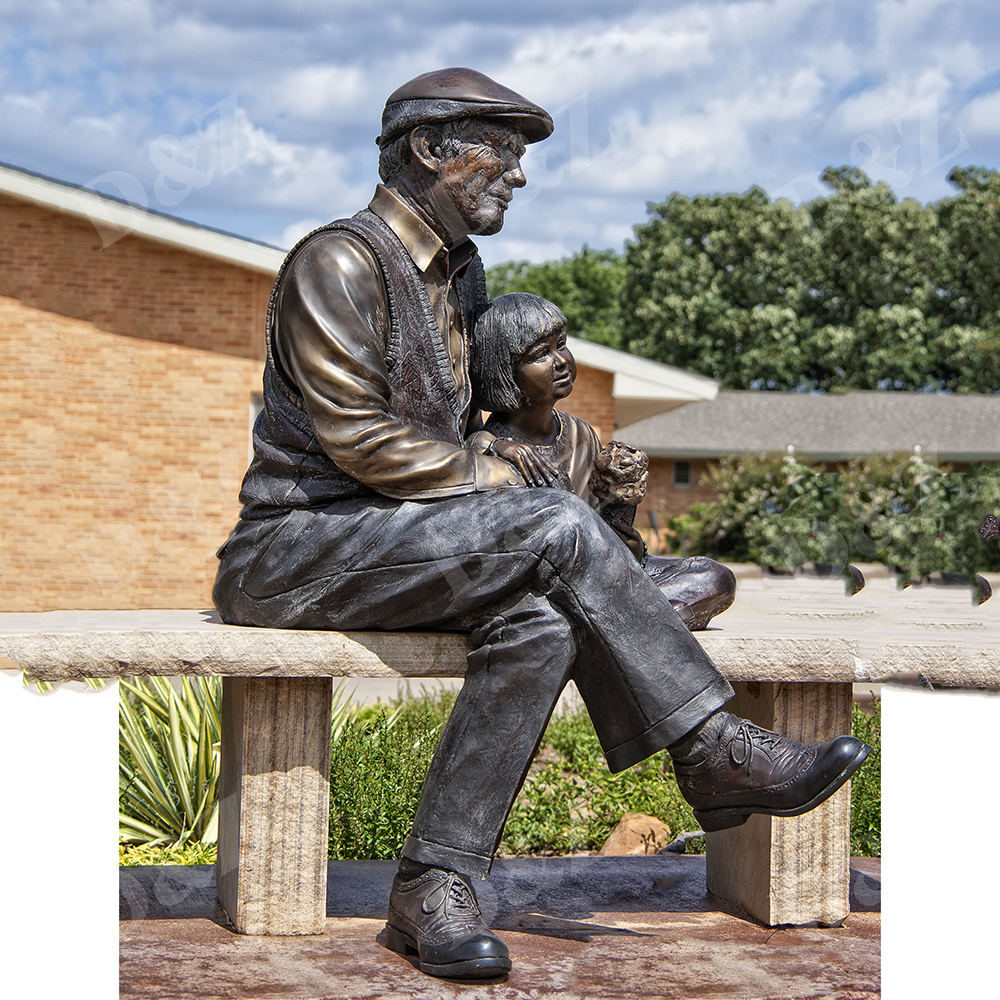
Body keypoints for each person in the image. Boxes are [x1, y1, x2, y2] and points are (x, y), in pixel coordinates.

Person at [213, 67, 870, 981]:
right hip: (297, 547)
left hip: (410, 541)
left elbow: (490, 415)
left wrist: (580, 476)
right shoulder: (339, 262)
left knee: (547, 616)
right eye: (503, 151)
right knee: (556, 531)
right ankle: (712, 748)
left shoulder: (462, 275)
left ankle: (434, 884)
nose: (518, 174)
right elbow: (358, 439)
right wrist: (509, 479)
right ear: (429, 149)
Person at [467, 290, 737, 629]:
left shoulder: (581, 434)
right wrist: (498, 449)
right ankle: (638, 619)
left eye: (561, 344)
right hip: (543, 586)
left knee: (714, 576)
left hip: (601, 575)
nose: (561, 360)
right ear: (503, 370)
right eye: (540, 354)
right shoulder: (488, 447)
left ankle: (633, 616)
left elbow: (604, 530)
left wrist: (627, 531)